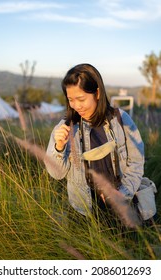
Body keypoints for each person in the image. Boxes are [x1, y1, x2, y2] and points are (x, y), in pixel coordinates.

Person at [45, 63, 146, 227]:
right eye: (71, 99)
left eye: (81, 99)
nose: (76, 106)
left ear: (97, 93)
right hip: (83, 210)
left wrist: (124, 193)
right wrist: (59, 147)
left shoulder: (121, 120)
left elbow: (136, 161)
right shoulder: (65, 128)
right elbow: (57, 174)